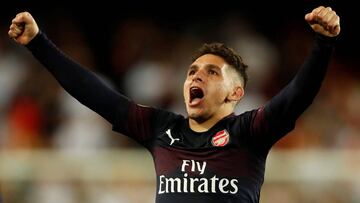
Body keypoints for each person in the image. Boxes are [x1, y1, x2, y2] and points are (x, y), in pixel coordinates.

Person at [8, 6, 340, 203]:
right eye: (192, 71)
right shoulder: (161, 128)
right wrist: (39, 43)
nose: (196, 77)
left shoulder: (249, 132)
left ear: (236, 93)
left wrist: (323, 44)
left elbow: (297, 95)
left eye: (212, 72)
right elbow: (93, 93)